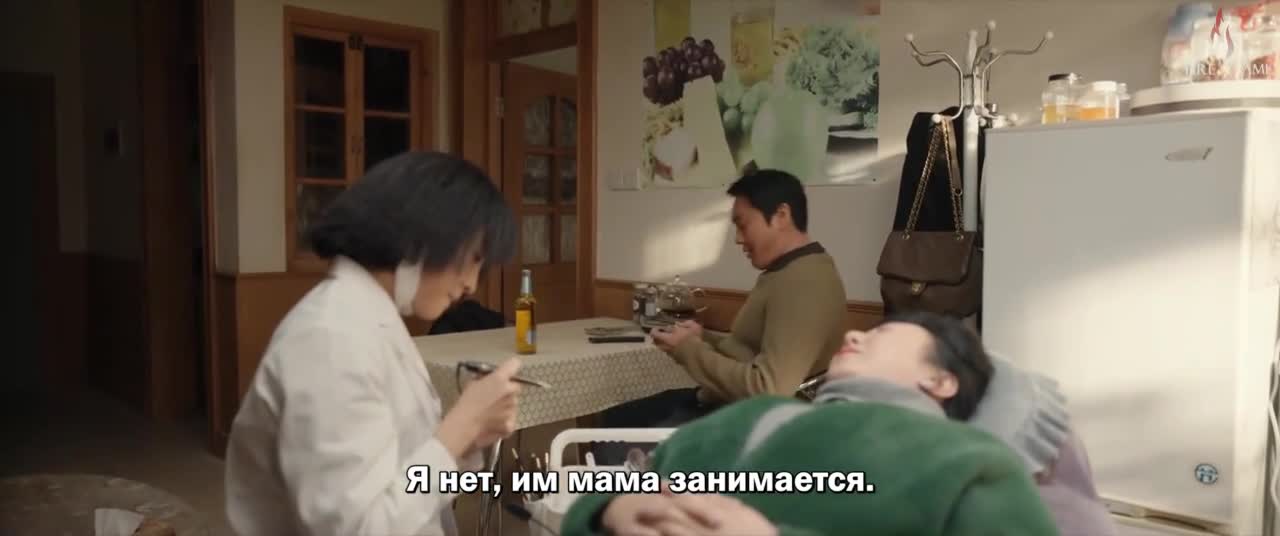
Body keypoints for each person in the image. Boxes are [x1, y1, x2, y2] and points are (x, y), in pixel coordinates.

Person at [224, 152, 522, 536]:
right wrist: (460, 427)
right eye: (473, 258)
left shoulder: (372, 317)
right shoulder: (329, 338)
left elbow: (401, 474)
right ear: (423, 234)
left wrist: (467, 442)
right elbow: (358, 528)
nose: (471, 284)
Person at [564, 312, 1059, 536]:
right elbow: (605, 498)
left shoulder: (969, 462)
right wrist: (612, 508)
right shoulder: (750, 416)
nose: (854, 333)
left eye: (883, 332)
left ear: (941, 379)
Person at [601, 170, 847, 444]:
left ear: (781, 215)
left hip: (754, 428)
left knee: (615, 437)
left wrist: (687, 348)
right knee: (616, 417)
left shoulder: (804, 282)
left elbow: (767, 388)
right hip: (726, 406)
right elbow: (750, 350)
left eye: (743, 225)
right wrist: (702, 337)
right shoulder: (788, 271)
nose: (738, 239)